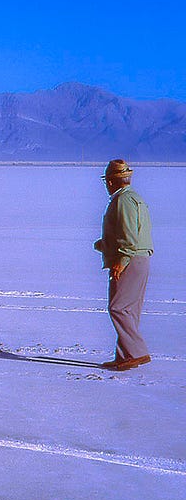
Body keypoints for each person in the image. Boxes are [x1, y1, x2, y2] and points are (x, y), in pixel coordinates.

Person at [93, 159, 153, 371]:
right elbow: (132, 232)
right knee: (130, 309)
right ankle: (125, 355)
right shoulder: (134, 198)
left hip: (131, 260)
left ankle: (137, 352)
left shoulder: (124, 201)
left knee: (118, 307)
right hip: (139, 258)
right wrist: (106, 245)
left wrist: (121, 260)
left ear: (111, 181)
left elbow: (128, 237)